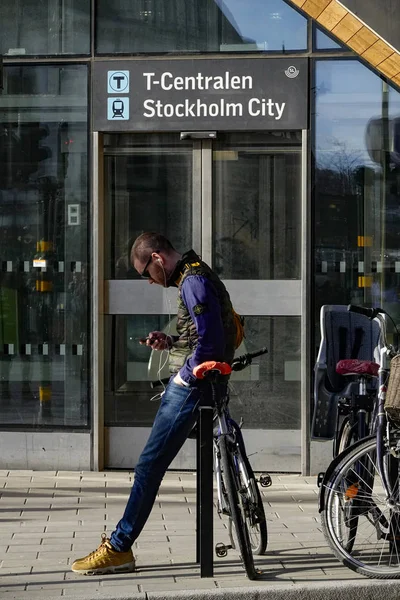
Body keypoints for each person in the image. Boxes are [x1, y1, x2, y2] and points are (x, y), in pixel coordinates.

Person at [71, 232, 237, 575]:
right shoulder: (195, 272)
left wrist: (184, 376)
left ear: (158, 258)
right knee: (154, 463)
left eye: (146, 272)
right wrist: (172, 341)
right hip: (205, 380)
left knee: (149, 466)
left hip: (195, 385)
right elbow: (200, 333)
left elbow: (211, 343)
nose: (148, 280)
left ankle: (119, 547)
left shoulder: (193, 281)